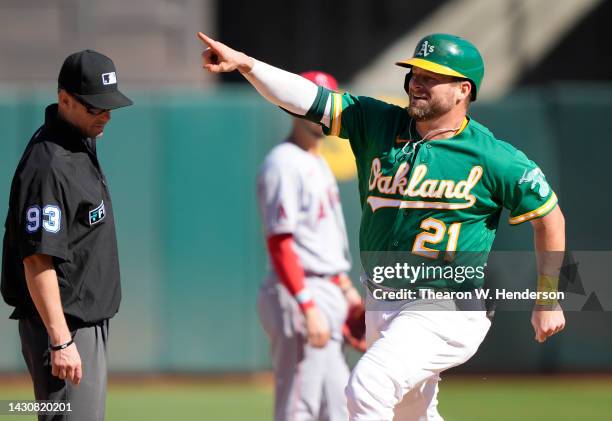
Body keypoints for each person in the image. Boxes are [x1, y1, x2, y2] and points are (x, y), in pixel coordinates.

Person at [196, 31, 566, 420]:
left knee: (366, 388)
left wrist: (548, 298)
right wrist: (247, 64)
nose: (417, 82)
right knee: (411, 415)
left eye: (431, 76)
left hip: (447, 306)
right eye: (415, 73)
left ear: (463, 90)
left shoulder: (495, 157)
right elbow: (305, 98)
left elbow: (550, 219)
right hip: (384, 299)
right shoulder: (377, 122)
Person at [1, 50, 133, 421]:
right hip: (65, 327)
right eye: (95, 108)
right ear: (64, 101)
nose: (106, 115)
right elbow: (37, 260)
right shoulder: (49, 165)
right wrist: (61, 340)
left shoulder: (78, 141)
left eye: (109, 107)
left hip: (83, 324)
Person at [256, 70, 362, 421]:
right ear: (292, 107)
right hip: (301, 292)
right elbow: (280, 242)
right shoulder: (283, 162)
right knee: (298, 405)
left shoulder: (317, 160)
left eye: (323, 104)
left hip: (327, 288)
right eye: (308, 104)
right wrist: (307, 304)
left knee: (340, 406)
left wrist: (345, 290)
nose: (317, 113)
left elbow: (322, 241)